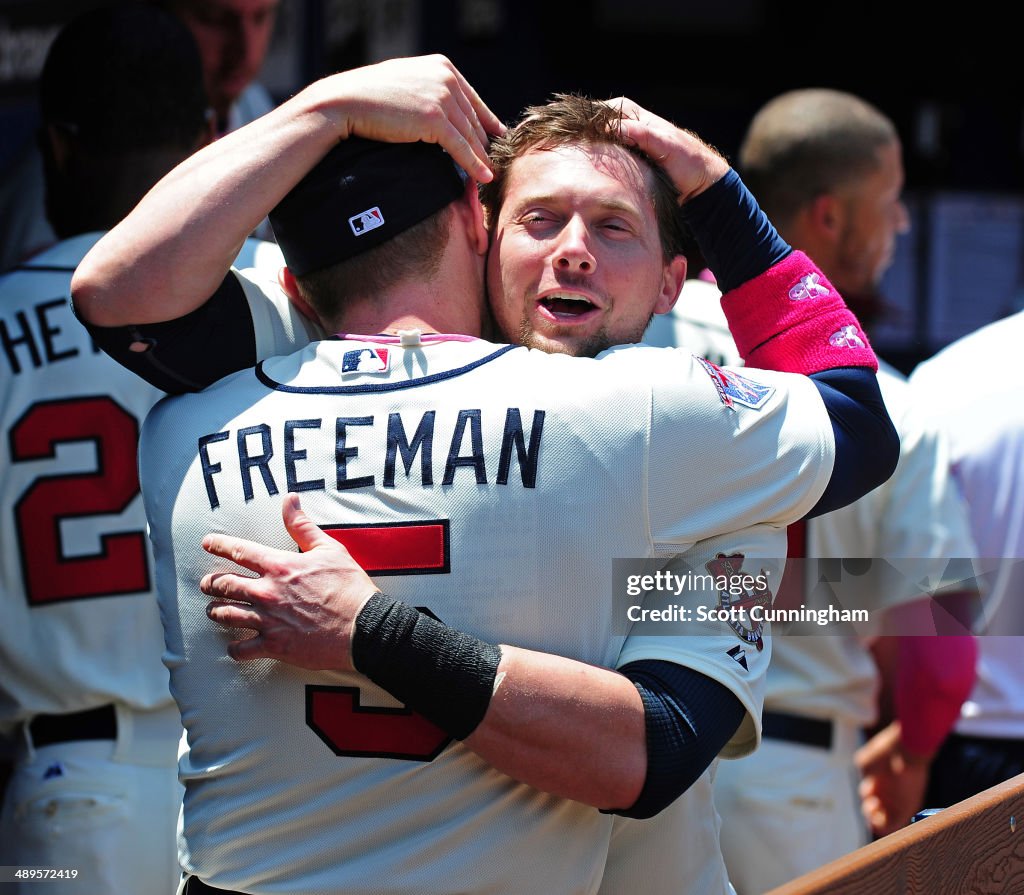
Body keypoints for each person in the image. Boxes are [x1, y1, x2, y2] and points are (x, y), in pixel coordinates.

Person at [71, 59, 897, 894]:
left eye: (615, 228)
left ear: (675, 286)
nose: (573, 252)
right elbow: (121, 294)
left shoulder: (698, 444)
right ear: (481, 232)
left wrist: (372, 631)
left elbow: (663, 740)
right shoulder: (331, 338)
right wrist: (329, 107)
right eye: (540, 219)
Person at [645, 88, 979, 893]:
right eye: (891, 202)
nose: (901, 225)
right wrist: (912, 754)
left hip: (635, 760)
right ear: (829, 216)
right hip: (795, 778)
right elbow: (943, 632)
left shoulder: (640, 338)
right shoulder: (891, 400)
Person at [0, 5, 214, 892]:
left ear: (56, 145)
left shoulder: (5, 318)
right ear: (208, 142)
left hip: (70, 796)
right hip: (253, 784)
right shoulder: (277, 307)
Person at [0, 0, 281, 272]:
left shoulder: (254, 107)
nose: (246, 53)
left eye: (261, 17)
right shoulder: (34, 201)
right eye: (213, 19)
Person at [909, 312, 1024, 809]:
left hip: (964, 747)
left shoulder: (944, 381)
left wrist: (907, 748)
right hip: (960, 736)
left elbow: (920, 590)